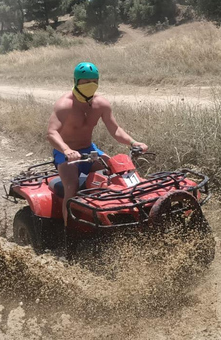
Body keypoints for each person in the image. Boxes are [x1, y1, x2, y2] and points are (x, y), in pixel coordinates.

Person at [46, 61, 147, 225]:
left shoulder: (101, 104)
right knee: (71, 187)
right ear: (76, 81)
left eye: (93, 81)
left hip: (90, 150)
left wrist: (133, 142)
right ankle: (69, 232)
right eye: (85, 82)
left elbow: (115, 129)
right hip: (66, 154)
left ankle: (121, 218)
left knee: (118, 175)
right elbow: (51, 133)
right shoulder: (64, 105)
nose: (89, 85)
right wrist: (66, 150)